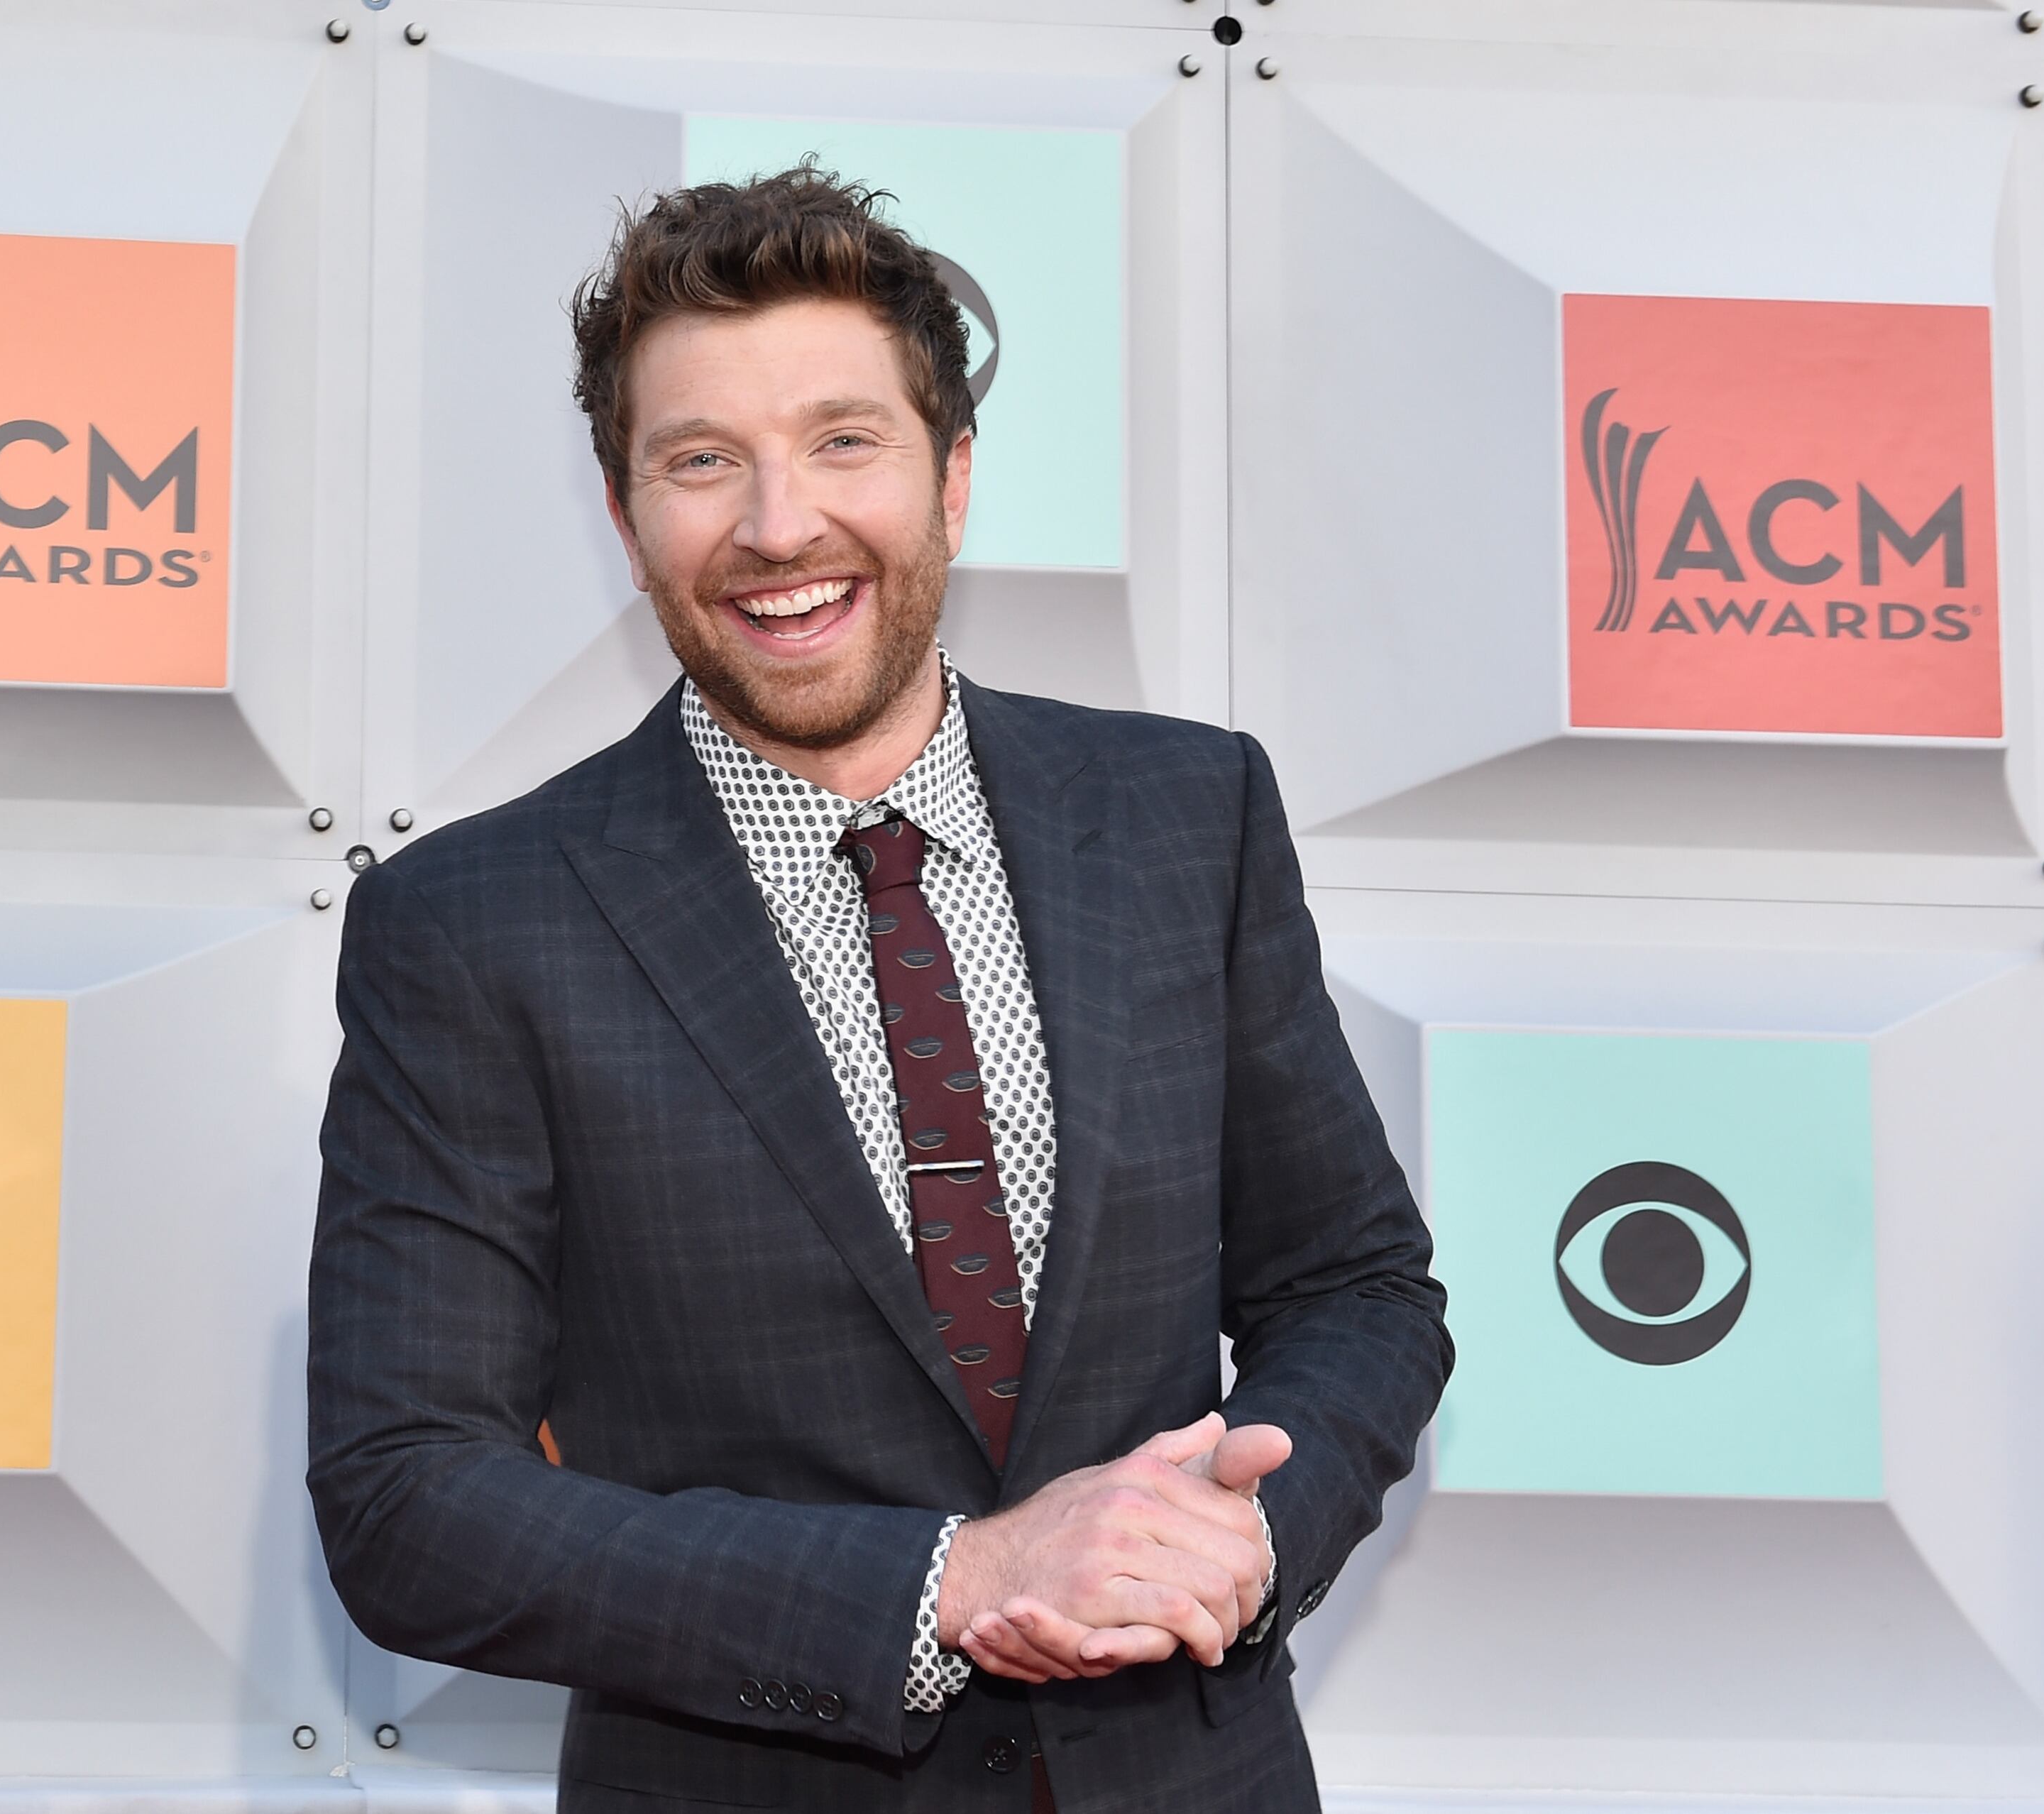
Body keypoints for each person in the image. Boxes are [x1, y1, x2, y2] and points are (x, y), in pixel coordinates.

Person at [307, 165, 1451, 1813]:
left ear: (954, 479)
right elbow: (411, 1502)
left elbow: (1353, 1287)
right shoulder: (471, 923)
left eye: (846, 441)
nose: (782, 526)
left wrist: (1241, 1532)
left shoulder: (1185, 818)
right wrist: (954, 1586)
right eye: (703, 463)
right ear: (627, 523)